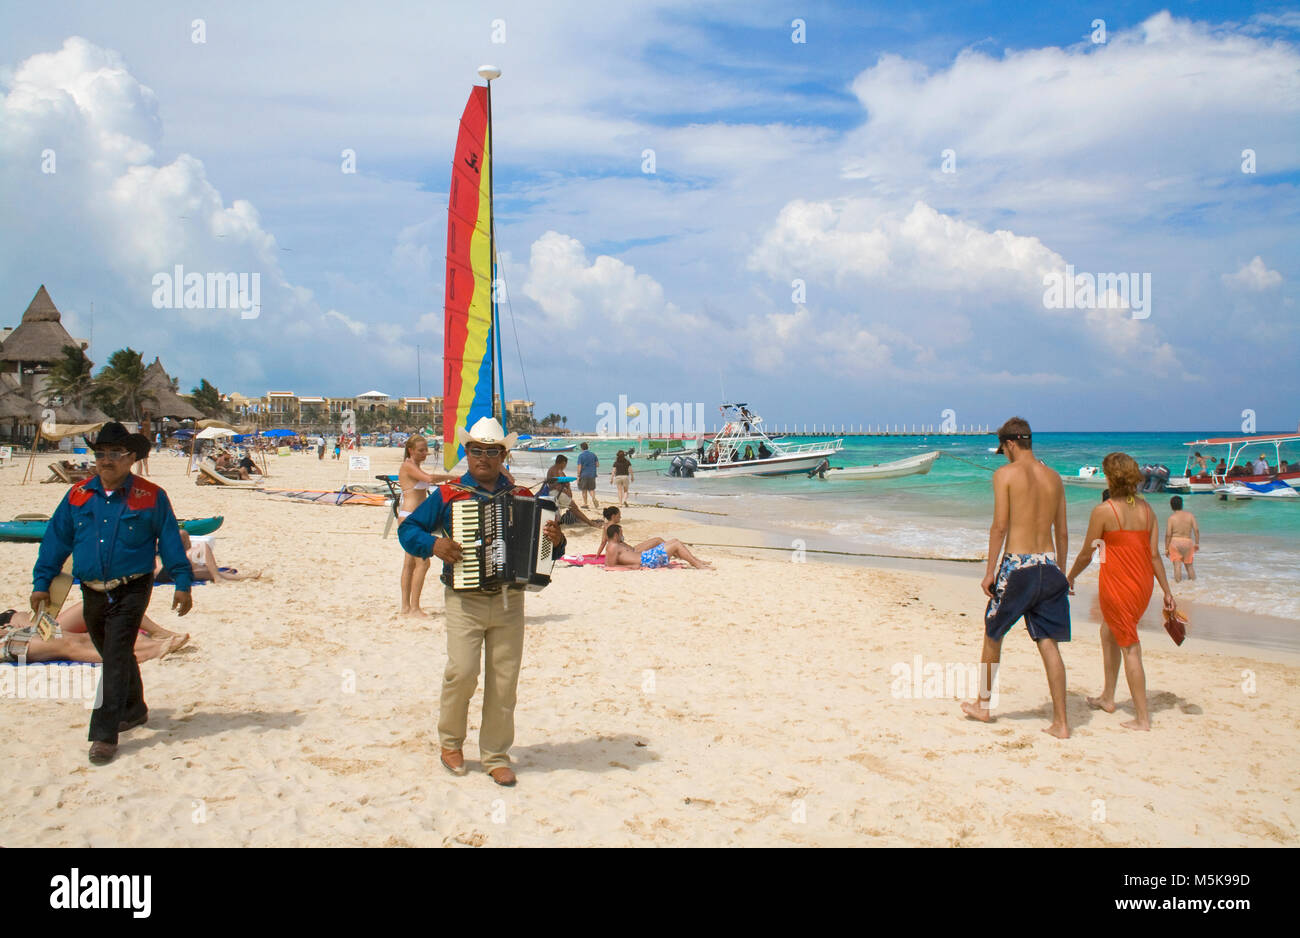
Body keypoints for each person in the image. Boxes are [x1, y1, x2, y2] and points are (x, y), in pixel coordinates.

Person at [398, 417, 565, 787]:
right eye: (476, 450)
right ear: (467, 452)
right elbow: (408, 530)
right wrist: (435, 545)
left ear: (503, 454)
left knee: (504, 681)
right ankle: (451, 744)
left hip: (510, 602)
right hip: (464, 599)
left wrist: (555, 540)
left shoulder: (523, 496)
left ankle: (495, 755)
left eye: (492, 451)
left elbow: (546, 554)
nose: (483, 458)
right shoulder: (449, 495)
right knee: (461, 672)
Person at [31, 422, 193, 765]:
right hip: (90, 590)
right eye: (101, 453)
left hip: (132, 587)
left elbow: (168, 540)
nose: (106, 460)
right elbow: (56, 540)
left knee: (115, 656)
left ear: (130, 457)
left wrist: (181, 582)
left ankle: (104, 734)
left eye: (115, 454)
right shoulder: (77, 495)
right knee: (114, 653)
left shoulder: (151, 496)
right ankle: (134, 709)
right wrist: (41, 582)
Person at [960, 417, 1071, 739]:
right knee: (1048, 641)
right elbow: (1062, 531)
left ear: (1009, 444)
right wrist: (1062, 573)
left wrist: (989, 571)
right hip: (1049, 566)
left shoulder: (1005, 474)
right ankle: (1062, 723)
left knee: (993, 633)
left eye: (1003, 449)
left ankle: (983, 704)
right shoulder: (1054, 477)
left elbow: (1000, 526)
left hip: (1017, 566)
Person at [1066, 452, 1176, 732]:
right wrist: (1166, 590)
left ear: (1110, 477)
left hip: (1117, 584)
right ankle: (1108, 697)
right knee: (1108, 630)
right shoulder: (1147, 510)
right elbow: (1153, 556)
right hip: (1142, 585)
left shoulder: (1104, 511)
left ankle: (1142, 717)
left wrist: (1070, 577)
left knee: (1129, 646)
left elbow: (1087, 554)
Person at [397, 435, 459, 617]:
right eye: (421, 450)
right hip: (410, 518)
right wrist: (453, 478)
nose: (425, 453)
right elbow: (430, 478)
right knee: (423, 563)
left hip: (416, 518)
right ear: (411, 450)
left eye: (426, 449)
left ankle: (406, 607)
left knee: (409, 564)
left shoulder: (414, 466)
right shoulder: (408, 465)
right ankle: (414, 608)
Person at [2, 606, 179, 664]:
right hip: (6, 641)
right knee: (66, 644)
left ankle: (151, 642)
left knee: (80, 638)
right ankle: (148, 652)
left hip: (11, 630)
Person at [602, 525, 712, 569]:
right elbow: (610, 566)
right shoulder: (612, 547)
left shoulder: (617, 544)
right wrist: (634, 567)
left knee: (674, 541)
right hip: (647, 561)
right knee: (676, 544)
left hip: (646, 557)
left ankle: (696, 561)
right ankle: (697, 564)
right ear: (616, 535)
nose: (622, 535)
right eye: (621, 533)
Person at [1164, 495, 1200, 583]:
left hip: (1175, 542)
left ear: (1171, 506)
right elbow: (1196, 530)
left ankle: (1178, 585)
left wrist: (1166, 547)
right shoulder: (1190, 516)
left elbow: (1168, 534)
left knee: (1177, 565)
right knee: (1189, 566)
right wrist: (1197, 543)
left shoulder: (1171, 518)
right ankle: (1194, 585)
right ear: (1182, 504)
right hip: (1187, 542)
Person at [576, 442, 599, 508]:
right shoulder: (593, 455)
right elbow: (597, 465)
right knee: (591, 489)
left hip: (584, 475)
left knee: (584, 490)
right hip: (592, 474)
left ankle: (585, 504)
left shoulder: (581, 456)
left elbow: (579, 466)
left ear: (581, 448)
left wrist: (578, 475)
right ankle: (593, 498)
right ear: (587, 447)